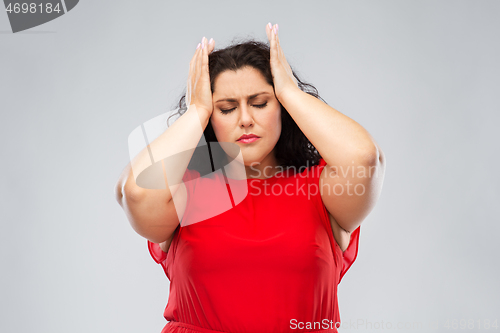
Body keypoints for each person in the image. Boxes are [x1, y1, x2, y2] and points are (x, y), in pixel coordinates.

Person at [115, 23, 386, 333]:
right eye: (227, 108)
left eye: (260, 103)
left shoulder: (322, 188)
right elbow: (135, 192)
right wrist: (196, 110)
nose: (245, 119)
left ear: (282, 108)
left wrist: (288, 91)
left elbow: (366, 159)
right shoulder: (183, 192)